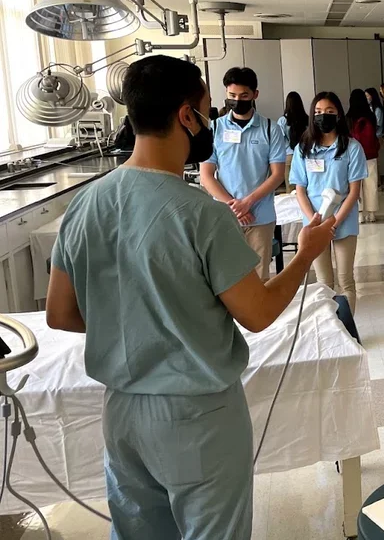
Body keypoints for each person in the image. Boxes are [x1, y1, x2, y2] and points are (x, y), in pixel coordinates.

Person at [45, 55, 335, 540]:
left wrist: (136, 322)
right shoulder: (200, 215)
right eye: (208, 110)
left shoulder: (86, 205)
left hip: (123, 414)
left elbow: (60, 313)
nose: (214, 121)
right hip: (197, 417)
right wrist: (305, 255)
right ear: (186, 116)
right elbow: (258, 314)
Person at [200, 67, 287, 280]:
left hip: (260, 217)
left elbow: (277, 175)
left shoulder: (270, 129)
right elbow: (206, 175)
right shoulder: (214, 129)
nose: (237, 100)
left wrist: (247, 203)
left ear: (255, 95)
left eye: (244, 96)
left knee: (259, 278)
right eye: (232, 96)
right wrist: (234, 206)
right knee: (226, 279)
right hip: (224, 218)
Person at [290, 91, 367, 313]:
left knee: (346, 280)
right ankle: (330, 330)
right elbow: (300, 190)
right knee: (324, 282)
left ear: (339, 116)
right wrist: (315, 221)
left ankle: (347, 330)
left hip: (342, 221)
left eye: (330, 112)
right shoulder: (303, 148)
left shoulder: (351, 147)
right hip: (313, 224)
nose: (324, 116)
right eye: (318, 112)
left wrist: (332, 223)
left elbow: (353, 192)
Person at [348, 88, 381, 224]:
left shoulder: (348, 116)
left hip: (354, 156)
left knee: (356, 185)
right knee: (371, 184)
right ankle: (372, 213)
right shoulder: (370, 115)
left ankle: (360, 214)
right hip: (370, 154)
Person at [279, 91, 309, 193]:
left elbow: (281, 141)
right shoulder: (307, 119)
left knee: (291, 189)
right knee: (305, 187)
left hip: (289, 156)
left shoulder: (282, 120)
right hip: (305, 155)